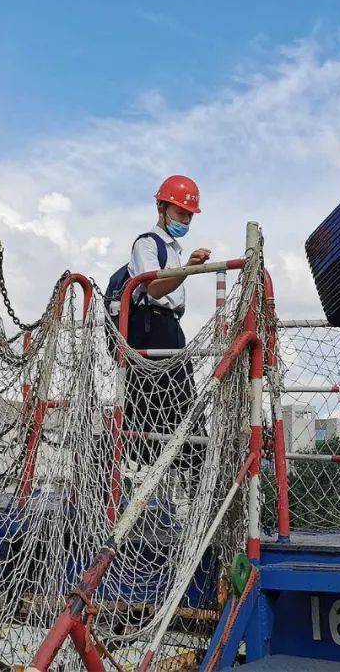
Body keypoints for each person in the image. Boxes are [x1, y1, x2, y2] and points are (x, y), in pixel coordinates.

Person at [122, 175, 210, 466]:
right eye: (180, 212)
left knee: (182, 405)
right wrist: (186, 270)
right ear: (161, 208)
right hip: (150, 328)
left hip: (171, 327)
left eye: (189, 215)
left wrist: (185, 267)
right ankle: (137, 471)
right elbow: (154, 287)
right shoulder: (147, 245)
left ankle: (189, 475)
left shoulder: (173, 250)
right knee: (148, 405)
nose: (185, 220)